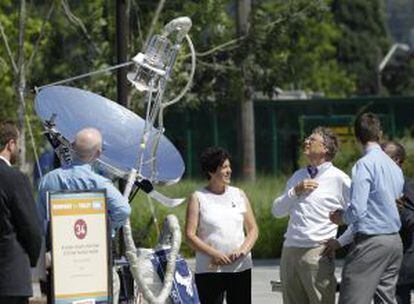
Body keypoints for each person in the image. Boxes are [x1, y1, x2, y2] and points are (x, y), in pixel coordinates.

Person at [38, 127, 131, 303]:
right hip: (94, 262)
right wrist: (105, 229)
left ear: (72, 146)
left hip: (61, 263)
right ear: (98, 153)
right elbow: (123, 210)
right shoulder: (100, 183)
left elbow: (39, 222)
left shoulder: (48, 181)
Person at [330, 113, 404, 304]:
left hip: (371, 242)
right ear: (379, 134)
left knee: (351, 299)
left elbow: (358, 210)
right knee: (386, 299)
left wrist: (340, 218)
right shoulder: (394, 167)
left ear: (357, 138)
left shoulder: (364, 165)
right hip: (394, 241)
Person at [272, 126, 351, 304]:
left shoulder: (340, 179)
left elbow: (360, 214)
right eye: (306, 139)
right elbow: (277, 211)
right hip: (289, 252)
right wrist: (295, 191)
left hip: (317, 253)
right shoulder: (297, 176)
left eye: (312, 139)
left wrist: (340, 241)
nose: (306, 141)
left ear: (326, 149)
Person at [185, 147, 258, 304]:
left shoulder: (239, 194)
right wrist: (215, 254)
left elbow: (253, 230)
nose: (229, 171)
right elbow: (190, 235)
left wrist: (242, 251)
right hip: (210, 269)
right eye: (224, 167)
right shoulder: (197, 197)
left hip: (240, 267)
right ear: (211, 171)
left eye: (229, 166)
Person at [0, 121, 42, 304]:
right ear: (10, 144)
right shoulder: (15, 179)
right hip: (9, 277)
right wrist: (31, 260)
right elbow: (31, 229)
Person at [381, 141, 414, 304]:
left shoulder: (405, 185)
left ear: (397, 161)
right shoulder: (379, 187)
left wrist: (398, 212)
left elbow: (410, 220)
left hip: (404, 263)